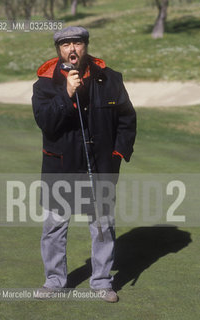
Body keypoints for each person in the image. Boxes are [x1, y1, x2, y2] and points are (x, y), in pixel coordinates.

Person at [32, 26, 136, 303]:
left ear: (85, 46)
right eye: (65, 44)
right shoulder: (44, 85)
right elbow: (46, 123)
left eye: (77, 42)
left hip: (100, 166)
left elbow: (127, 120)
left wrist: (116, 156)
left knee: (102, 225)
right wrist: (66, 93)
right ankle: (55, 282)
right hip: (60, 167)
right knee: (54, 227)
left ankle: (102, 282)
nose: (72, 49)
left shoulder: (110, 79)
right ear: (59, 50)